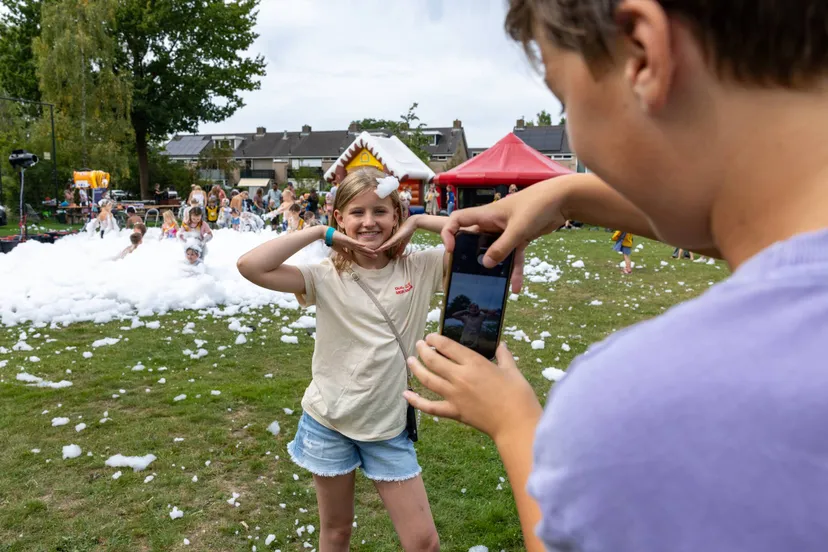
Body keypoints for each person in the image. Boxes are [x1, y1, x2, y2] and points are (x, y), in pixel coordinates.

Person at [404, 1, 828, 551]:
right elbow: (763, 226)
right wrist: (569, 192)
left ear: (642, 53)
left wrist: (514, 424)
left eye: (565, 98)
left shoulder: (636, 410)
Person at [236, 166, 452, 552]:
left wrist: (419, 221)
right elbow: (251, 266)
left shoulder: (419, 268)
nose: (369, 222)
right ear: (340, 217)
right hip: (329, 422)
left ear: (396, 216)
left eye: (381, 211)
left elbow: (480, 239)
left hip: (387, 428)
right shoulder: (322, 275)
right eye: (357, 212)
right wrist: (321, 233)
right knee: (336, 533)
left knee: (423, 542)